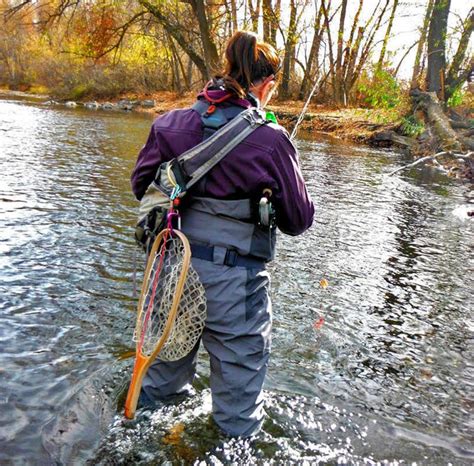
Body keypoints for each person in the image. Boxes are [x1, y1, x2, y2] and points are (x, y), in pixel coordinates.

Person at [130, 31, 314, 438]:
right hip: (236, 285)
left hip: (173, 272)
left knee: (157, 391)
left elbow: (141, 185)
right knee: (237, 416)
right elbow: (298, 220)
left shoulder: (169, 125)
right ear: (266, 86)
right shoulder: (271, 141)